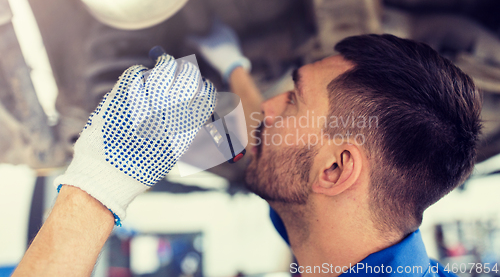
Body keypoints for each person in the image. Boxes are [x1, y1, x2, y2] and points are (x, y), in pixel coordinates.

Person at [12, 21, 481, 277]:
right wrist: (235, 67)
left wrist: (95, 189)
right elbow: (288, 140)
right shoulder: (338, 228)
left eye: (293, 98)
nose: (267, 105)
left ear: (336, 171)